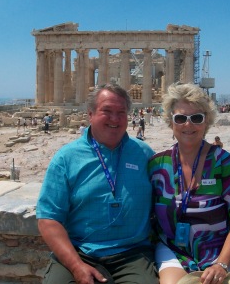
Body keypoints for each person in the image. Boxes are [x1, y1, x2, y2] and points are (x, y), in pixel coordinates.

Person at [37, 83, 158, 284]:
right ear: (90, 114)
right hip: (79, 250)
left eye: (121, 112)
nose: (115, 118)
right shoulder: (66, 158)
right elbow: (48, 219)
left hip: (132, 253)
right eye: (107, 111)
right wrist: (76, 266)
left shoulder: (144, 154)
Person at [149, 83, 230, 284]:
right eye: (181, 118)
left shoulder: (222, 162)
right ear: (171, 121)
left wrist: (221, 264)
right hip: (177, 250)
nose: (188, 125)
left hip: (226, 250)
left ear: (206, 121)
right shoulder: (158, 165)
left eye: (196, 118)